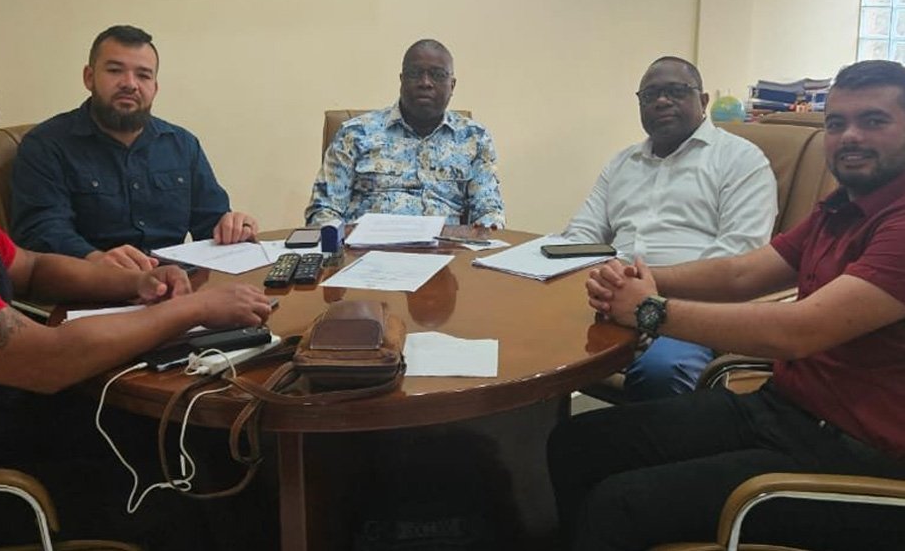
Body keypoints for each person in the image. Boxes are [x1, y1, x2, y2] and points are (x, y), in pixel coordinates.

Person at [0, 49, 275, 549]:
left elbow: (31, 267)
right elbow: (50, 360)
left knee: (210, 443)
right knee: (195, 480)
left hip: (13, 416)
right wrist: (191, 308)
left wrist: (131, 283)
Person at [548, 59, 905, 551]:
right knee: (577, 444)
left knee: (619, 504)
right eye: (837, 124)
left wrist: (651, 309)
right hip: (785, 409)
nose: (850, 138)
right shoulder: (841, 205)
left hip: (851, 452)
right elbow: (743, 272)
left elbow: (799, 331)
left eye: (874, 121)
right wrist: (644, 281)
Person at [561, 56, 777, 399]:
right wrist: (601, 281)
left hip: (693, 307)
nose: (662, 101)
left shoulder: (741, 160)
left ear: (703, 101)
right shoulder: (622, 163)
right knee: (529, 337)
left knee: (661, 371)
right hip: (610, 299)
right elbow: (581, 234)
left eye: (676, 91)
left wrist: (648, 290)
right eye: (651, 95)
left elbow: (739, 257)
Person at [10, 25, 258, 271]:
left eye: (143, 75)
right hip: (91, 289)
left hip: (176, 285)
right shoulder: (46, 145)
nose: (130, 84)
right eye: (115, 70)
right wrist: (95, 259)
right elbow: (42, 232)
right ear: (89, 77)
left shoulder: (182, 144)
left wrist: (232, 225)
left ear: (155, 87)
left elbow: (211, 222)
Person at [304, 39, 506, 228]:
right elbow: (324, 212)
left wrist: (486, 232)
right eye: (415, 73)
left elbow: (489, 211)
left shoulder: (475, 138)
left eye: (437, 74)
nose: (425, 82)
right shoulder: (355, 133)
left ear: (452, 85)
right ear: (401, 80)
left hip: (447, 257)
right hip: (366, 256)